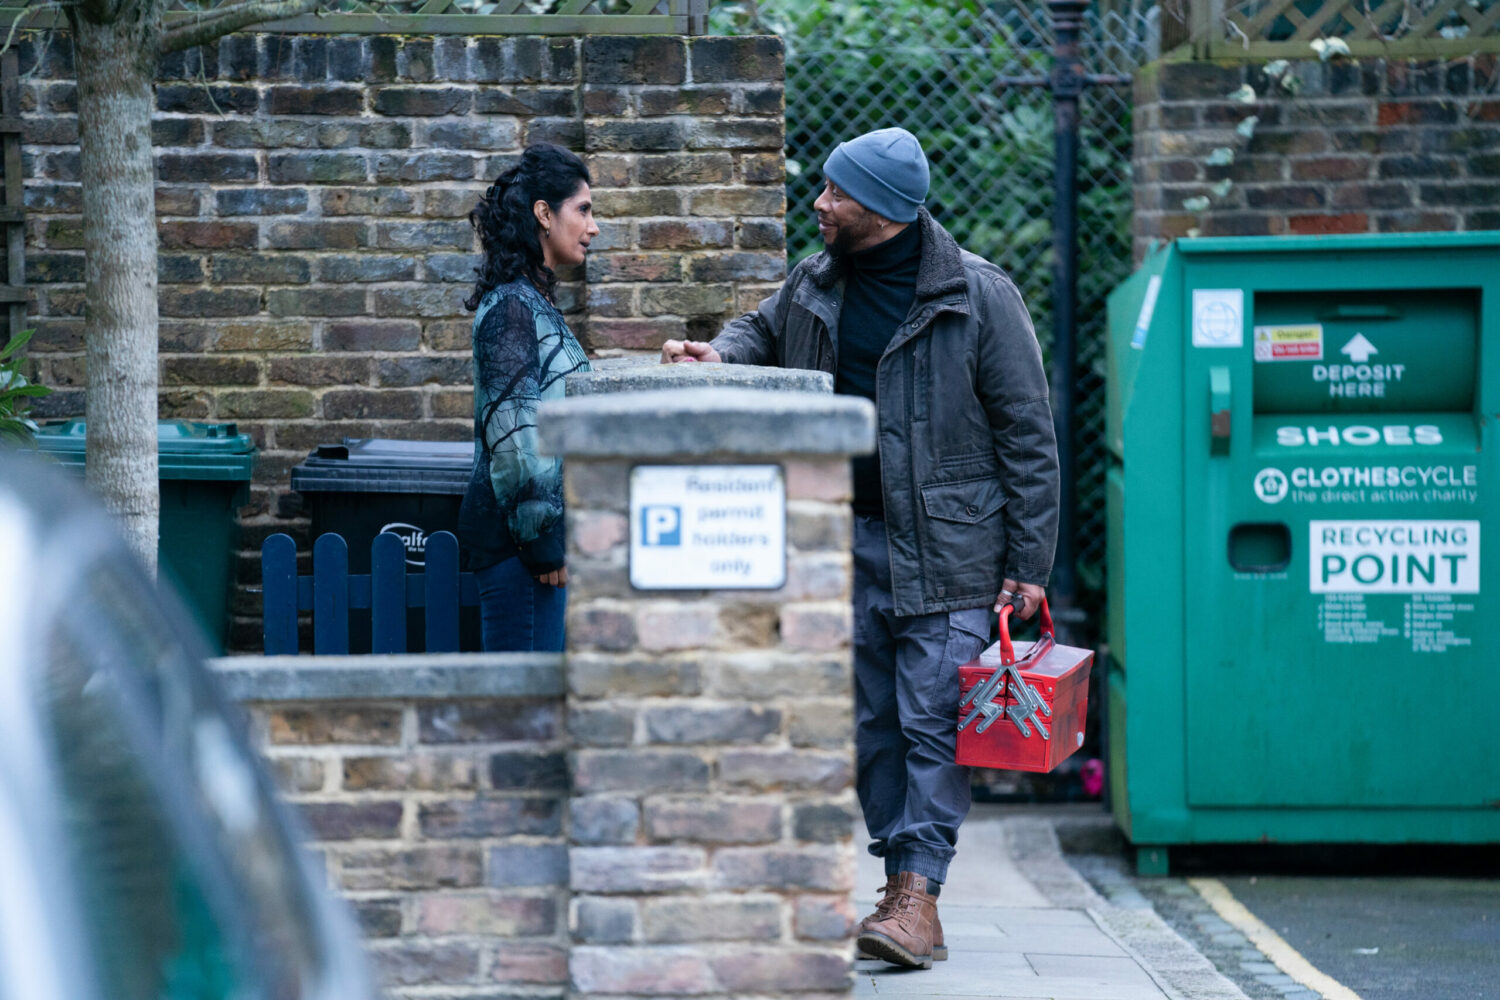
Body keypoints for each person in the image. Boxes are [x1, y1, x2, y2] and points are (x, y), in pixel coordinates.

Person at [662, 127, 1059, 969]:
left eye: (836, 192)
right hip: (841, 539)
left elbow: (1029, 434)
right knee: (872, 725)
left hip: (952, 550)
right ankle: (900, 886)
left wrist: (1029, 565)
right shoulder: (815, 281)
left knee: (932, 721)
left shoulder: (977, 295)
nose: (820, 203)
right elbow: (759, 332)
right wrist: (719, 354)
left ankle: (920, 892)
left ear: (877, 208)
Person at [457, 143, 598, 652]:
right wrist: (543, 547)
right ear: (544, 214)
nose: (593, 226)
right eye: (582, 210)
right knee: (525, 719)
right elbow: (515, 438)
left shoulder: (532, 303)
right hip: (521, 554)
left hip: (531, 548)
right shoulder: (512, 309)